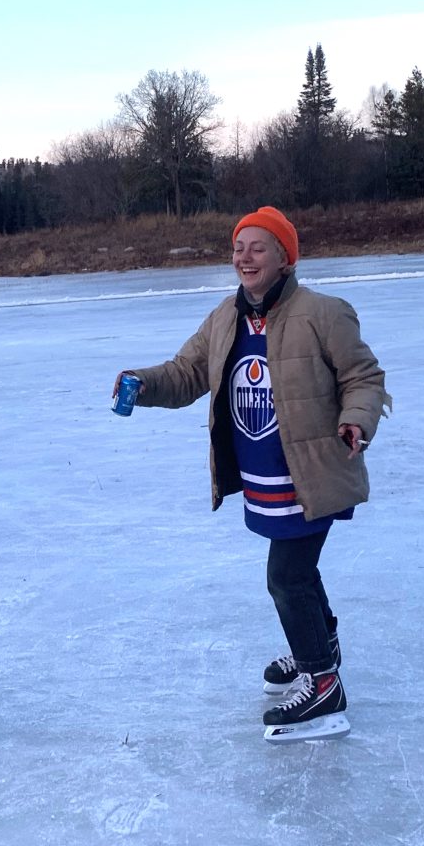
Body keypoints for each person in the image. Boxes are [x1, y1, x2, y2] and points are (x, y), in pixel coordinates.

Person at [113, 206, 390, 743]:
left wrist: (356, 419)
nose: (244, 257)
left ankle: (324, 683)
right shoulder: (225, 318)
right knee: (299, 574)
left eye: (257, 248)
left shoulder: (323, 312)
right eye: (238, 248)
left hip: (313, 472)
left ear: (285, 258)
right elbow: (187, 372)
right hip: (263, 479)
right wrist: (142, 383)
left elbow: (363, 376)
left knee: (285, 576)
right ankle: (320, 648)